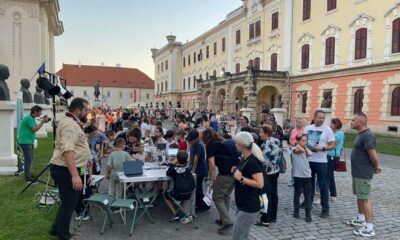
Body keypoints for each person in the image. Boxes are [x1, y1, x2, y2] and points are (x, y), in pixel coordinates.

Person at [48, 97, 90, 240]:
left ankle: (55, 229)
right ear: (77, 110)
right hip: (65, 170)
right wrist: (75, 176)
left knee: (67, 202)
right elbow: (68, 150)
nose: (87, 113)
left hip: (72, 169)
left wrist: (82, 173)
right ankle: (63, 236)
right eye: (85, 110)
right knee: (69, 205)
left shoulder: (73, 123)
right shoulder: (69, 125)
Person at [346, 112, 381, 237]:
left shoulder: (367, 136)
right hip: (357, 172)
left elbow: (373, 155)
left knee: (365, 198)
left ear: (360, 122)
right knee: (360, 196)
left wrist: (376, 167)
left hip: (363, 173)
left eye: (353, 120)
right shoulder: (360, 134)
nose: (351, 122)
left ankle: (369, 227)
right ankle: (360, 218)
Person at [202, 129, 238, 234]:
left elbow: (212, 166)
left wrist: (213, 181)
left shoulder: (210, 146)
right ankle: (224, 218)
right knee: (225, 196)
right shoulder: (221, 143)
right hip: (234, 173)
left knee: (217, 197)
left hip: (225, 174)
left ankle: (227, 222)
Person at [303, 110, 336, 218]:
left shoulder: (327, 130)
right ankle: (308, 202)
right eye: (319, 117)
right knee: (309, 184)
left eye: (323, 118)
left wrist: (322, 148)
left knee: (323, 185)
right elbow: (303, 141)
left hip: (321, 161)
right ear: (314, 117)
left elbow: (333, 145)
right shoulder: (308, 128)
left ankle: (325, 208)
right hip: (309, 160)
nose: (321, 120)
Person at [232, 132, 264, 240]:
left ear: (241, 145)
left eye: (236, 143)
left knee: (238, 236)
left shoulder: (253, 161)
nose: (235, 145)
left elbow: (260, 184)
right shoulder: (244, 158)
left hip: (249, 206)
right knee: (243, 236)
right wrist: (236, 170)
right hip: (242, 203)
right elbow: (245, 173)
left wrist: (241, 178)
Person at [256, 124, 282, 226]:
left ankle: (265, 219)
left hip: (266, 173)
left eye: (261, 132)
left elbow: (264, 160)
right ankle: (273, 216)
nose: (260, 134)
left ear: (266, 133)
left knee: (264, 195)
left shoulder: (266, 143)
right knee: (273, 195)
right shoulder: (277, 140)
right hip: (275, 171)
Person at [18, 105, 50, 183]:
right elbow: (35, 129)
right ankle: (27, 177)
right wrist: (42, 122)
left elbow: (35, 127)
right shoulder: (29, 118)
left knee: (29, 159)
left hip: (28, 141)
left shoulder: (31, 118)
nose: (41, 113)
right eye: (40, 112)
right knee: (28, 160)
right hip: (25, 142)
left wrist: (42, 121)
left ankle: (28, 174)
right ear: (35, 111)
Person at [163, 151, 192, 222]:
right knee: (182, 190)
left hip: (178, 194)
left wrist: (173, 163)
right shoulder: (188, 169)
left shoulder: (174, 170)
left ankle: (175, 213)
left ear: (177, 159)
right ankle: (186, 213)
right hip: (188, 194)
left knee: (164, 193)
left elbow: (168, 173)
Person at [186, 129, 210, 213]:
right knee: (196, 188)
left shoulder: (199, 145)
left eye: (191, 140)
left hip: (200, 170)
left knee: (199, 189)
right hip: (195, 169)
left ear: (196, 138)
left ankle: (204, 205)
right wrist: (188, 166)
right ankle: (198, 204)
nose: (190, 142)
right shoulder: (193, 144)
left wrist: (193, 171)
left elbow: (196, 159)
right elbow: (191, 157)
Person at [291, 134, 313, 222]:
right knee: (297, 194)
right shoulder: (294, 149)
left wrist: (305, 147)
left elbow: (310, 153)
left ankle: (308, 214)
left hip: (307, 175)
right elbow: (298, 151)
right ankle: (296, 211)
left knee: (307, 195)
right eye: (302, 141)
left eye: (306, 140)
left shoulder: (306, 150)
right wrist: (297, 145)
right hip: (297, 175)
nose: (304, 142)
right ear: (298, 141)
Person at [327, 118, 344, 201]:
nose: (330, 125)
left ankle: (324, 196)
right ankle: (333, 195)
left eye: (331, 123)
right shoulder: (332, 133)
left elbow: (332, 142)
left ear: (336, 124)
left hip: (333, 156)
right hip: (329, 155)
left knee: (327, 176)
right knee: (330, 176)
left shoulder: (339, 133)